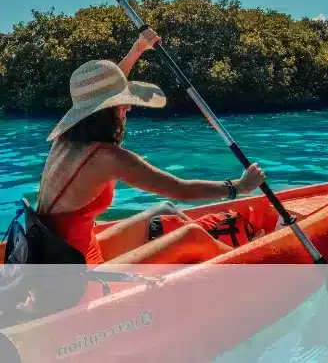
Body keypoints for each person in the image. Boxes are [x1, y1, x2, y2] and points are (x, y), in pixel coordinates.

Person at [36, 29, 266, 267]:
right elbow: (180, 190)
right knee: (192, 235)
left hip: (68, 254)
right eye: (121, 104)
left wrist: (137, 50)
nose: (128, 108)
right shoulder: (107, 157)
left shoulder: (66, 138)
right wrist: (239, 186)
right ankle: (252, 261)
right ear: (104, 111)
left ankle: (208, 260)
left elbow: (107, 89)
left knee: (164, 211)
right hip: (76, 278)